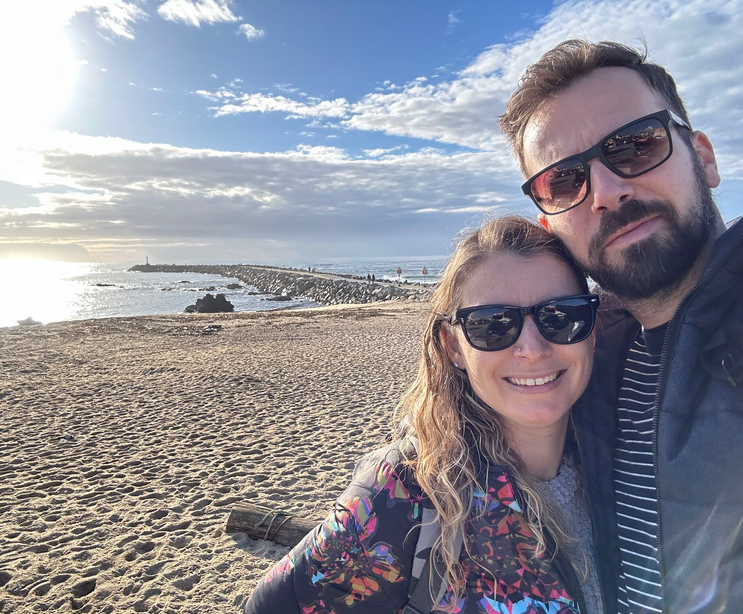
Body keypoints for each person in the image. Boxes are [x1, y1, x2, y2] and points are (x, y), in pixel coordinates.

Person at [245, 216, 604, 613]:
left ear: (592, 325)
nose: (532, 349)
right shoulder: (407, 492)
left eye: (561, 315)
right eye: (492, 325)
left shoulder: (628, 467)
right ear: (453, 346)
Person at [500, 40, 743, 614]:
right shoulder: (580, 361)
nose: (607, 193)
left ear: (703, 158)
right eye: (563, 182)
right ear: (550, 222)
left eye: (636, 146)